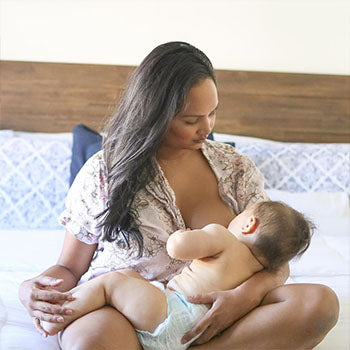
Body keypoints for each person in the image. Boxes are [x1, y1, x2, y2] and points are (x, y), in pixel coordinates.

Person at [19, 41, 339, 350]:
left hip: (218, 310)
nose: (207, 127)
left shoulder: (236, 168)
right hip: (128, 313)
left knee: (318, 304)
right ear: (154, 114)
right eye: (191, 120)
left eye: (212, 113)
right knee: (91, 341)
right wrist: (29, 290)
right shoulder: (105, 172)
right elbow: (70, 268)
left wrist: (245, 296)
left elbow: (273, 257)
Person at [40, 200, 314, 350]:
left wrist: (189, 232)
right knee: (134, 283)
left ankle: (58, 315)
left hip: (174, 312)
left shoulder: (224, 237)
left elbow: (177, 247)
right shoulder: (261, 269)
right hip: (201, 332)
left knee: (114, 280)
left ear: (249, 223)